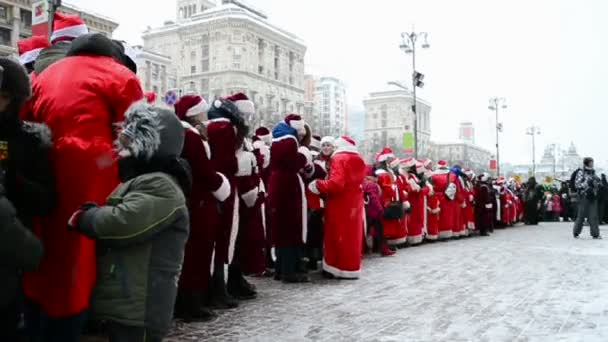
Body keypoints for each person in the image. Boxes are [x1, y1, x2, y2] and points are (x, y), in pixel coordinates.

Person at [23, 33, 143, 341]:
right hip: (94, 173)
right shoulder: (120, 76)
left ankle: (38, 324)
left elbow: (25, 124)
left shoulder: (43, 75)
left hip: (44, 171)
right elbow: (135, 139)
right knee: (82, 256)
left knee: (47, 252)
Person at [68, 103, 191, 342]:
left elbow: (123, 222)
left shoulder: (160, 186)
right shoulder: (144, 180)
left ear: (148, 146)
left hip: (141, 308)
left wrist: (87, 216)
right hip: (128, 302)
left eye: (128, 142)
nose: (120, 148)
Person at [0, 57, 50, 342]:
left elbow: (46, 200)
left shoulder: (30, 140)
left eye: (4, 96)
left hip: (11, 258)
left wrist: (16, 181)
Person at [172, 94, 231, 322]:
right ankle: (192, 304)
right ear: (195, 113)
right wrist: (221, 185)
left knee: (191, 253)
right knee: (198, 253)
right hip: (200, 201)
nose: (207, 116)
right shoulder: (191, 136)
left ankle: (188, 301)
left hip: (192, 199)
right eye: (203, 111)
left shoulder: (183, 133)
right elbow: (203, 171)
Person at [205, 97, 247, 308]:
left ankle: (218, 288)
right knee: (223, 240)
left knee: (218, 241)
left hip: (216, 188)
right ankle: (218, 289)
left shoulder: (212, 128)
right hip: (224, 189)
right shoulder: (225, 129)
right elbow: (227, 162)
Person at [309, 136, 367, 278]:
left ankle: (335, 266)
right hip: (355, 202)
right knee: (352, 236)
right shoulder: (358, 159)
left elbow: (337, 183)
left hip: (339, 202)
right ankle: (351, 267)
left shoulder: (339, 158)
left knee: (336, 234)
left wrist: (318, 184)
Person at [268, 114, 314, 283]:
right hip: (288, 189)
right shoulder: (289, 142)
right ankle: (289, 270)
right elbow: (292, 163)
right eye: (300, 132)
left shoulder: (279, 140)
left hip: (281, 188)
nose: (301, 136)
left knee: (283, 229)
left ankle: (282, 269)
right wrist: (304, 156)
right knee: (290, 228)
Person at [375, 147, 407, 246]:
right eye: (389, 158)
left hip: (390, 198)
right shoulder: (381, 172)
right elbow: (386, 187)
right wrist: (392, 190)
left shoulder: (388, 171)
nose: (390, 160)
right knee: (386, 222)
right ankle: (386, 243)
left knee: (391, 222)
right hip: (385, 199)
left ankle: (389, 242)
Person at [573, 157, 601, 239]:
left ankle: (595, 234)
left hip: (592, 196)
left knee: (594, 216)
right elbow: (577, 185)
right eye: (591, 162)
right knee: (581, 215)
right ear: (586, 163)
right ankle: (576, 232)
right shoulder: (581, 172)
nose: (592, 164)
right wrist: (587, 182)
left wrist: (598, 184)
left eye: (593, 162)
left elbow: (597, 183)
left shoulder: (593, 173)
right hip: (583, 196)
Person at [431, 160, 457, 240]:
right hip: (448, 197)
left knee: (438, 217)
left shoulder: (433, 175)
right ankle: (447, 233)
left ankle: (438, 232)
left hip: (437, 197)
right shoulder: (452, 175)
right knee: (447, 216)